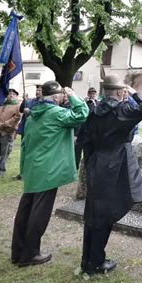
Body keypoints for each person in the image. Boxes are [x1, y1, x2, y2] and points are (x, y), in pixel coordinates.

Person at [78, 74, 142, 275]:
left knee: (93, 213)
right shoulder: (122, 110)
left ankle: (88, 260)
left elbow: (85, 139)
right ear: (120, 92)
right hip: (116, 164)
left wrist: (91, 161)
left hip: (97, 162)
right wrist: (135, 92)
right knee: (105, 214)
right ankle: (95, 262)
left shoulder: (93, 110)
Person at [11, 81, 89, 267]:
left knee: (25, 210)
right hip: (48, 171)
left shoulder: (33, 114)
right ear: (55, 97)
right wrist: (72, 95)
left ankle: (18, 251)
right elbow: (82, 114)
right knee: (39, 212)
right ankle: (30, 254)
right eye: (61, 94)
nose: (63, 97)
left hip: (32, 168)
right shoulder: (56, 113)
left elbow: (25, 142)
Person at [13, 85, 43, 180]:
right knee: (24, 152)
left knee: (33, 153)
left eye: (40, 90)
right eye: (37, 90)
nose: (37, 91)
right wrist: (24, 100)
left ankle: (30, 173)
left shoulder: (44, 103)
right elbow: (22, 109)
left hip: (35, 131)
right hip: (26, 130)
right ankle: (22, 173)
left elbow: (39, 115)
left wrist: (30, 111)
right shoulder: (31, 101)